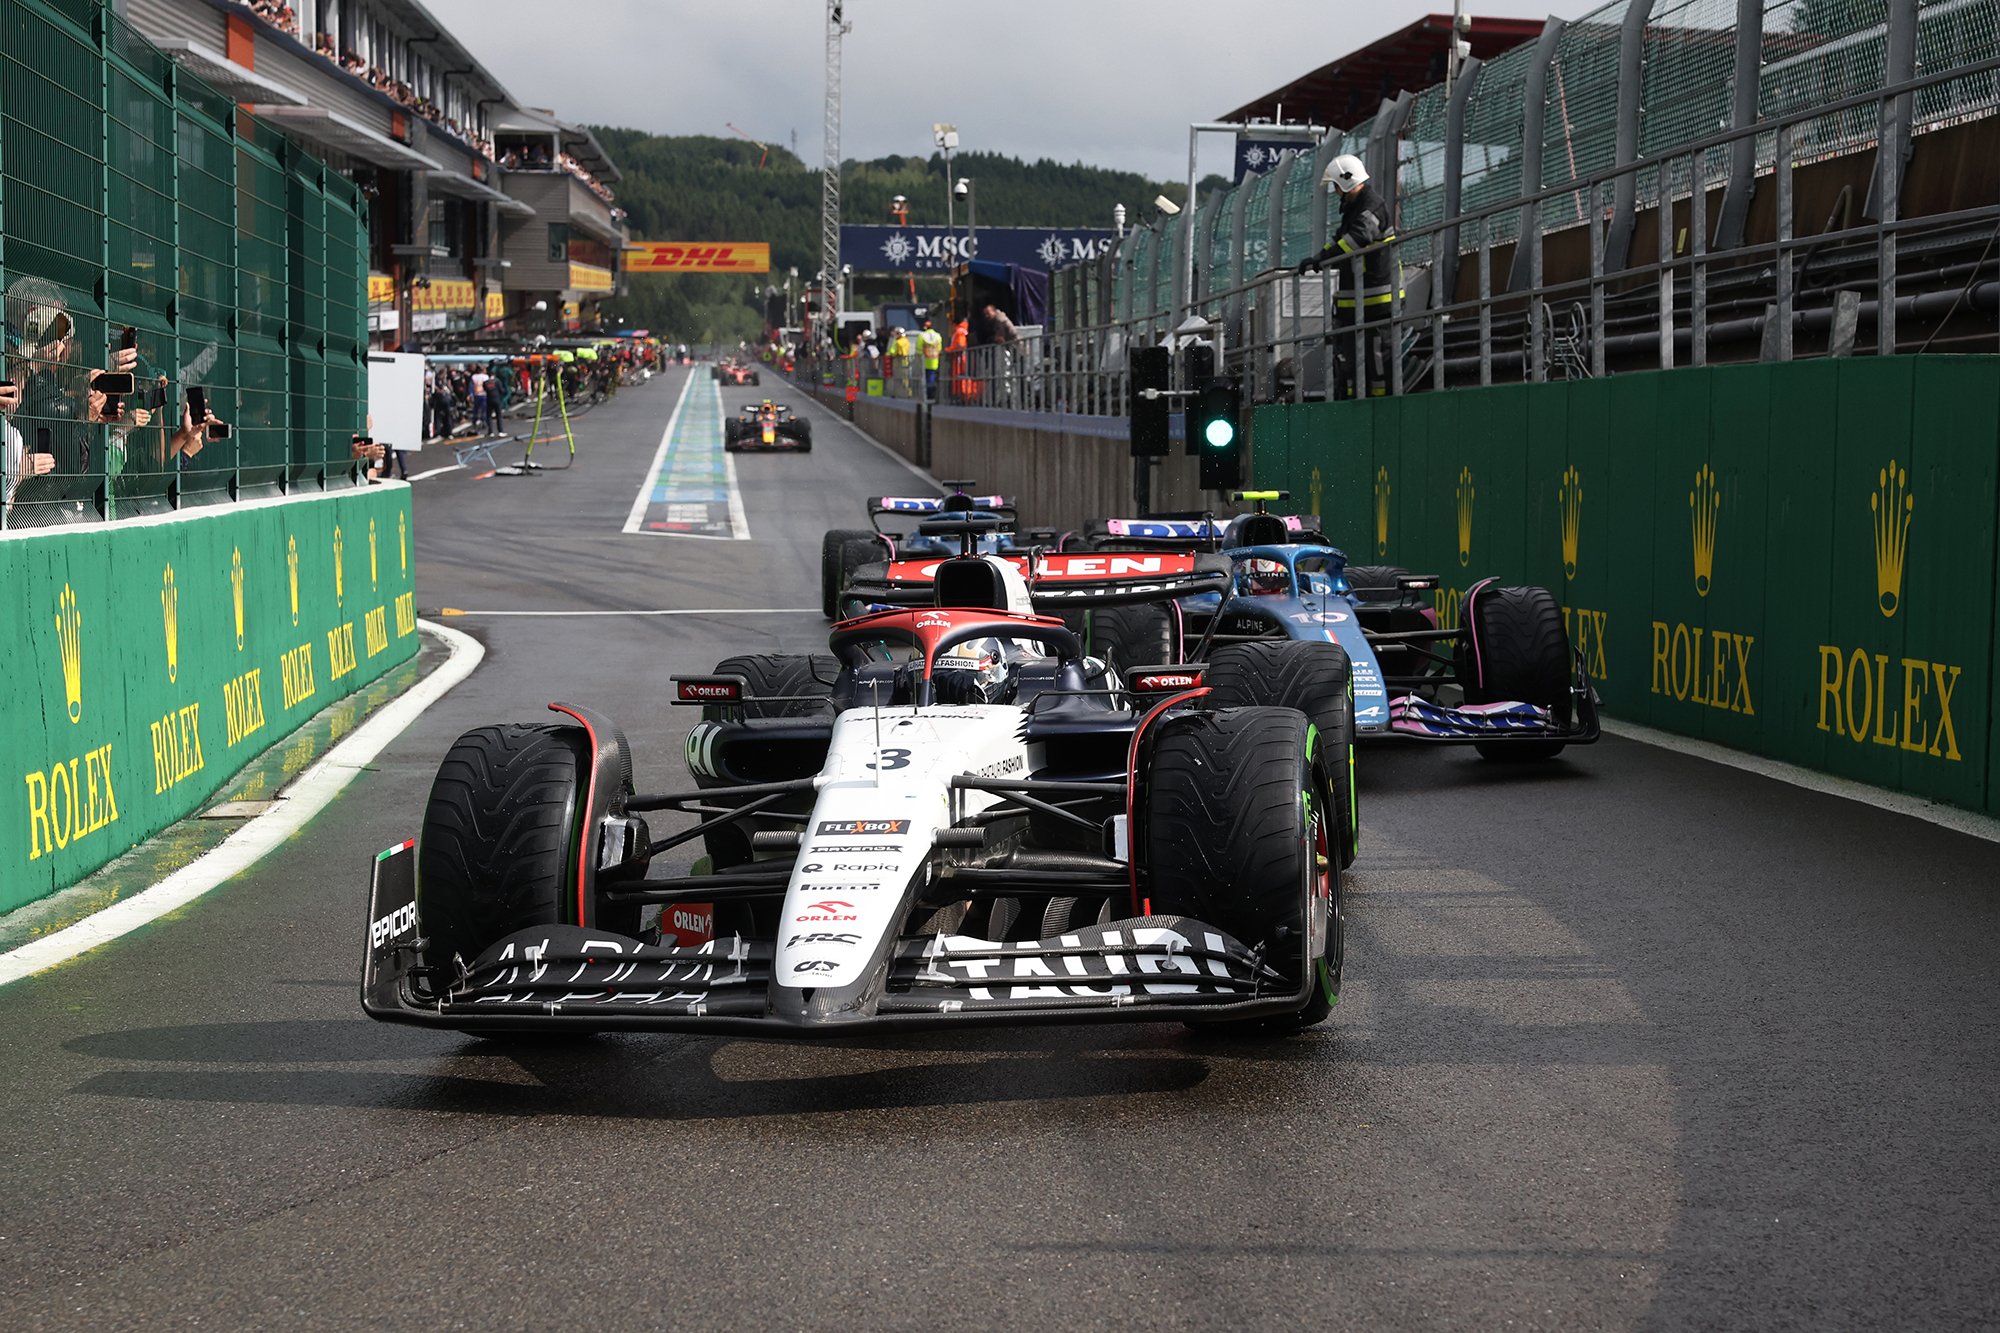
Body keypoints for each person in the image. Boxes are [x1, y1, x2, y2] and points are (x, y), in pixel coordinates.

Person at [1297, 153, 1402, 398]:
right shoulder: (1355, 209)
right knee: (1353, 365)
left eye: (1336, 185)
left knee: (1377, 366)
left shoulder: (1371, 206)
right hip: (1358, 303)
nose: (1335, 191)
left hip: (1377, 303)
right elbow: (1341, 241)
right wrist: (1318, 258)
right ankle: (1357, 404)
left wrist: (1323, 259)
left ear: (1346, 181)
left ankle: (1379, 410)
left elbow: (1356, 240)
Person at [918, 319, 943, 400]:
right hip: (935, 361)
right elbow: (939, 348)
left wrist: (917, 360)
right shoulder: (938, 336)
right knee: (932, 377)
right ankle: (931, 393)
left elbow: (918, 349)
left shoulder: (922, 336)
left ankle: (926, 394)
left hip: (924, 361)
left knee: (924, 378)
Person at [469, 364, 491, 434]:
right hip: (484, 394)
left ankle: (475, 420)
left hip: (477, 394)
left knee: (476, 409)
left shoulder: (474, 376)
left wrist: (469, 394)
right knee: (484, 409)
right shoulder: (486, 377)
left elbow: (471, 386)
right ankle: (483, 420)